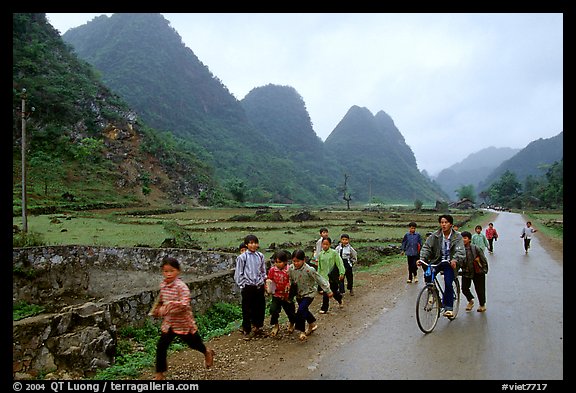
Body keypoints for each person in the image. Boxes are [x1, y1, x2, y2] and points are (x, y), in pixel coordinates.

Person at [151, 256, 215, 380]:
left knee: (194, 344)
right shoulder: (163, 285)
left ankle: (207, 351)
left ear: (178, 271)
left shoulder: (181, 287)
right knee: (161, 346)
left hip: (184, 323)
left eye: (171, 271)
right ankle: (160, 373)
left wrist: (168, 307)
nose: (168, 274)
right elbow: (161, 301)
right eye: (165, 271)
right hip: (169, 323)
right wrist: (158, 310)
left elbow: (184, 304)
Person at [418, 214, 465, 318]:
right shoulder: (435, 236)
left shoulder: (457, 236)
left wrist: (455, 259)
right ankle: (433, 294)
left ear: (451, 224)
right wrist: (422, 258)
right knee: (428, 275)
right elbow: (426, 247)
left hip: (450, 263)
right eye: (442, 222)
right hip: (438, 260)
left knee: (448, 283)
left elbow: (460, 251)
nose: (443, 224)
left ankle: (449, 307)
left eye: (446, 222)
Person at [289, 249, 333, 341]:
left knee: (301, 310)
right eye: (294, 261)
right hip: (299, 294)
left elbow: (319, 279)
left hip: (309, 293)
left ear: (303, 260)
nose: (296, 263)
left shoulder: (309, 270)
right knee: (304, 309)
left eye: (298, 261)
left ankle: (302, 331)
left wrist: (327, 290)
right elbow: (290, 280)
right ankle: (312, 324)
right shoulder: (291, 268)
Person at [234, 234, 267, 340]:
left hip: (259, 285)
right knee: (247, 309)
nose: (253, 245)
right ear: (247, 244)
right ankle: (247, 330)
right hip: (248, 286)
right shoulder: (242, 257)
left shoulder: (260, 256)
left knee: (259, 307)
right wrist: (243, 285)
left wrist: (263, 281)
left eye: (255, 243)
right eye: (251, 243)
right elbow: (238, 273)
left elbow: (262, 271)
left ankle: (258, 327)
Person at [266, 250, 296, 337]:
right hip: (277, 294)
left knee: (290, 312)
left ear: (285, 262)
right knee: (273, 310)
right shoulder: (272, 270)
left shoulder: (290, 270)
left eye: (280, 262)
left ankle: (291, 323)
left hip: (287, 295)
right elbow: (269, 280)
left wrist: (289, 285)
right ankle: (276, 325)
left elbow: (293, 280)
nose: (277, 264)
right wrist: (268, 288)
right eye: (276, 262)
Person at [460, 231, 489, 312]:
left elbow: (483, 259)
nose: (463, 240)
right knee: (464, 288)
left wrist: (484, 269)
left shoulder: (476, 248)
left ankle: (482, 305)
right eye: (462, 238)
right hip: (466, 272)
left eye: (465, 238)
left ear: (469, 239)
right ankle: (470, 301)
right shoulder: (459, 249)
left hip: (478, 272)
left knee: (480, 289)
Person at [317, 237, 345, 313]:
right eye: (323, 244)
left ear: (330, 244)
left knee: (334, 292)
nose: (325, 246)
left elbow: (339, 263)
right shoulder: (320, 255)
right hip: (324, 277)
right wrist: (318, 277)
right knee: (326, 292)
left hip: (332, 277)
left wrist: (341, 272)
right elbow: (319, 267)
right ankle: (324, 308)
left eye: (327, 244)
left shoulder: (334, 253)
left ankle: (339, 299)